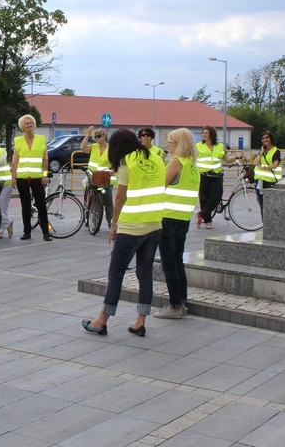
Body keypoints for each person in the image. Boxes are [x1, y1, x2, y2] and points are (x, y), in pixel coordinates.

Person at [82, 129, 165, 337]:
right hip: (154, 223)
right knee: (145, 273)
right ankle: (140, 321)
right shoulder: (156, 158)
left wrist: (113, 225)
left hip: (131, 226)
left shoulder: (126, 161)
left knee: (116, 273)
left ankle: (102, 320)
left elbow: (120, 197)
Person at [155, 127, 200, 319]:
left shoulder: (176, 162)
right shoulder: (192, 164)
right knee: (177, 260)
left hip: (168, 217)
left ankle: (174, 307)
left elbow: (160, 185)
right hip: (183, 218)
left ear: (179, 143)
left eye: (170, 141)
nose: (168, 144)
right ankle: (182, 302)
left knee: (169, 263)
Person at [11, 114, 51, 241]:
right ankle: (26, 231)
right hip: (22, 177)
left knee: (41, 204)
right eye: (26, 123)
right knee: (25, 205)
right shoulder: (18, 141)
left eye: (31, 123)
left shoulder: (41, 139)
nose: (29, 125)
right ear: (22, 126)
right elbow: (15, 161)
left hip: (37, 177)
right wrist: (13, 178)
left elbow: (45, 159)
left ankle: (46, 232)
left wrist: (44, 175)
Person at [79, 126, 115, 231]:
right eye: (95, 136)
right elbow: (82, 147)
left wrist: (113, 170)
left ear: (105, 136)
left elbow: (115, 163)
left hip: (105, 177)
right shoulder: (94, 146)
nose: (96, 138)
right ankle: (94, 221)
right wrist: (88, 134)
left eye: (99, 136)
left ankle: (110, 223)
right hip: (92, 176)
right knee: (94, 198)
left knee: (108, 201)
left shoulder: (111, 149)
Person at [196, 125, 230, 230]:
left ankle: (201, 214)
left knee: (216, 197)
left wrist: (234, 158)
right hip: (203, 175)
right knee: (204, 199)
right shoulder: (198, 146)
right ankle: (208, 221)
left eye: (206, 133)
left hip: (217, 175)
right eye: (203, 133)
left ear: (212, 134)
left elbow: (226, 159)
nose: (204, 135)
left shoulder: (220, 146)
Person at [253, 130, 282, 219]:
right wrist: (261, 152)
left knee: (270, 205)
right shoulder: (262, 151)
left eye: (267, 138)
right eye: (263, 138)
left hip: (270, 181)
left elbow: (275, 165)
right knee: (262, 205)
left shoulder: (276, 151)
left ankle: (271, 223)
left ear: (271, 139)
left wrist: (264, 167)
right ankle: (264, 225)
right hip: (259, 181)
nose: (265, 140)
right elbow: (255, 163)